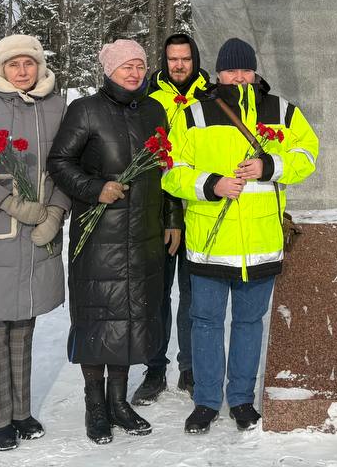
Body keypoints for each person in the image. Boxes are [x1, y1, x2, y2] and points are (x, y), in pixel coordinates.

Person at [162, 37, 320, 435]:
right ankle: (206, 402)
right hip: (210, 244)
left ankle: (241, 400)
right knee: (206, 323)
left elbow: (307, 155)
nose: (238, 76)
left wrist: (271, 165)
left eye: (245, 69)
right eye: (231, 70)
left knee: (250, 323)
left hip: (261, 243)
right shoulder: (194, 114)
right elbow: (171, 170)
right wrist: (211, 184)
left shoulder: (281, 110)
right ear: (218, 73)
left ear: (254, 71)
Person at [46, 40, 179, 445]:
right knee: (97, 318)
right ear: (109, 70)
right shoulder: (85, 110)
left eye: (140, 65)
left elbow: (168, 166)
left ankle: (118, 402)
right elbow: (59, 162)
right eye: (126, 67)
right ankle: (95, 405)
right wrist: (95, 188)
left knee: (129, 318)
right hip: (99, 234)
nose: (134, 73)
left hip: (143, 234)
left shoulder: (154, 110)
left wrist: (172, 218)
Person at [0, 34, 70, 451]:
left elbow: (70, 165)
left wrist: (56, 211)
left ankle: (20, 411)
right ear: (0, 68)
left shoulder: (58, 108)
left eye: (29, 63)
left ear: (40, 66)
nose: (22, 71)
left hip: (41, 227)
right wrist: (8, 202)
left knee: (24, 321)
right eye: (13, 64)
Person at [132, 32, 210, 405]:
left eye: (185, 59)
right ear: (164, 61)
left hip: (200, 211)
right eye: (173, 59)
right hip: (157, 211)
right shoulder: (149, 98)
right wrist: (169, 215)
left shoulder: (210, 99)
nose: (179, 65)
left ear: (195, 60)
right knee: (156, 294)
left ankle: (190, 367)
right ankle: (154, 368)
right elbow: (149, 163)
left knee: (194, 296)